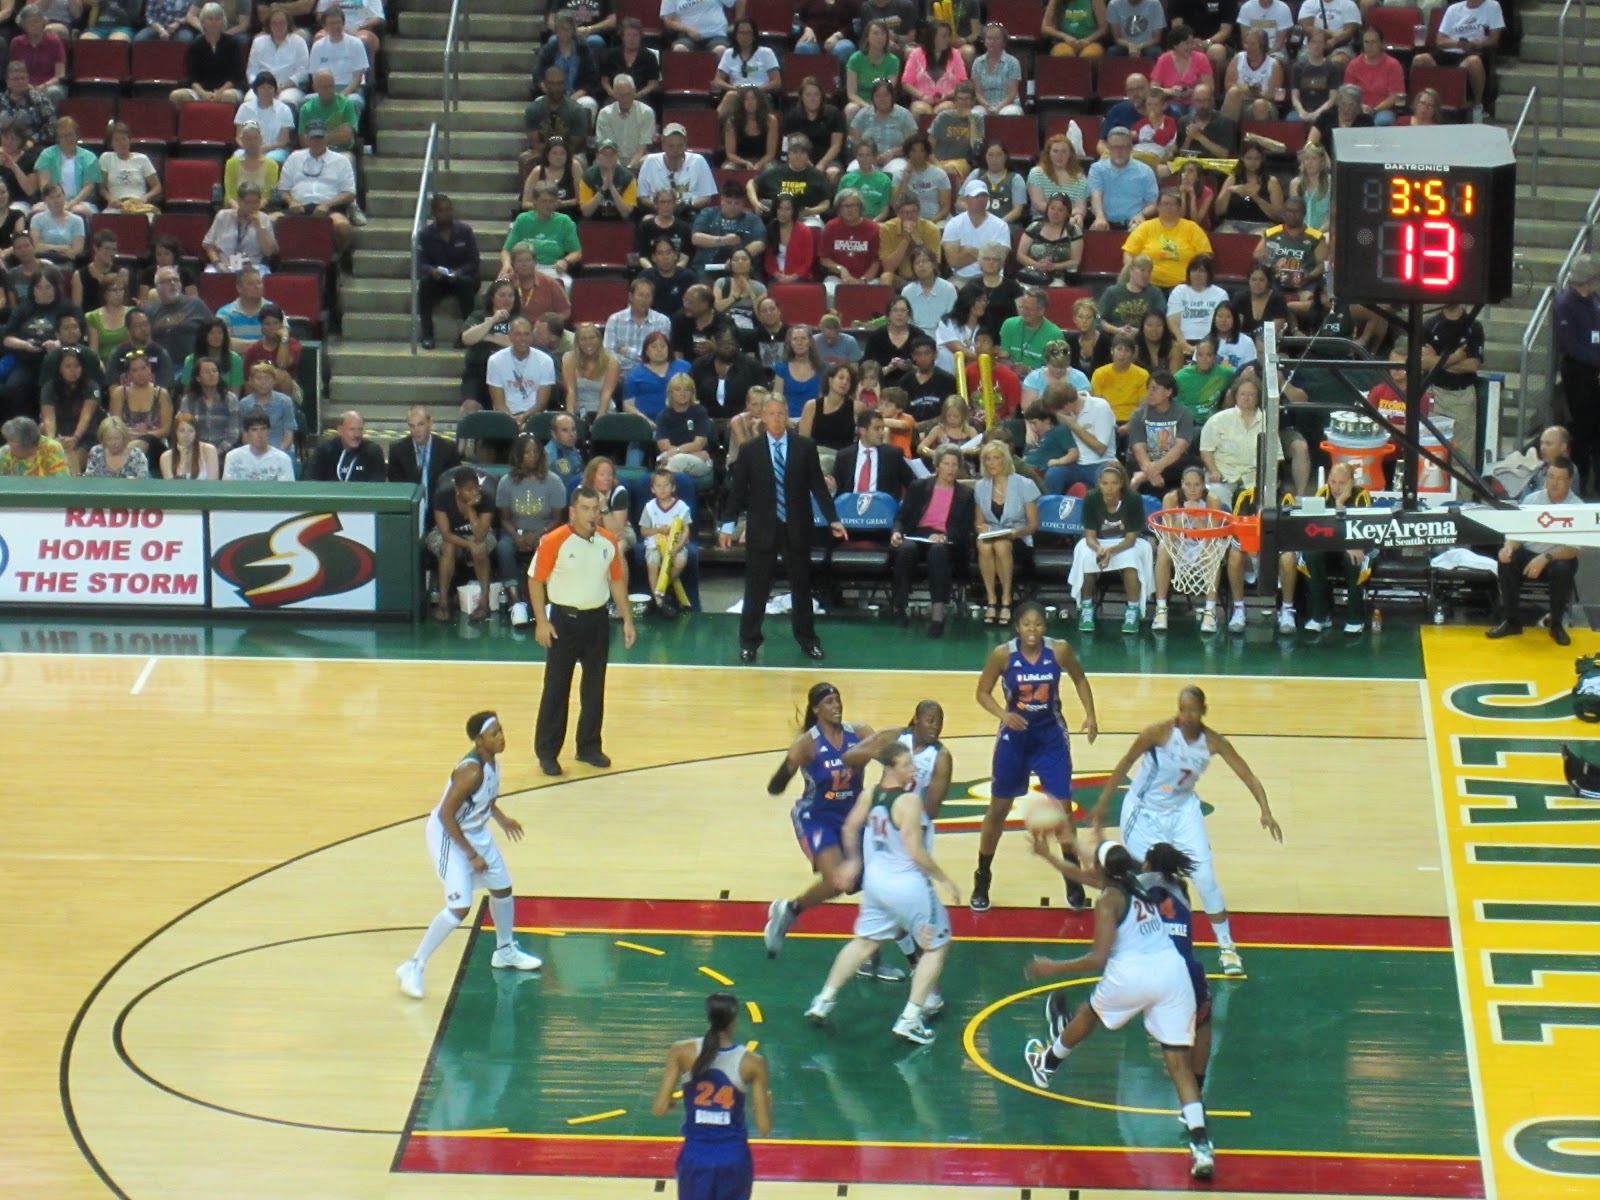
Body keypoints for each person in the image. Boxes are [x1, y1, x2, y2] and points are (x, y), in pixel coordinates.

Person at [1021, 840, 1215, 1181]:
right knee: (1178, 1066)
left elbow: (1098, 958)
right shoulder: (1135, 882)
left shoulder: (1109, 898)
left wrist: (1053, 967)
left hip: (1134, 974)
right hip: (1172, 973)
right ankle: (1201, 1145)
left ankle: (1046, 1065)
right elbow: (1080, 873)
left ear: (1101, 869)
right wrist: (1049, 856)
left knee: (1090, 1013)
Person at [1092, 684, 1281, 979]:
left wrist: (1265, 810)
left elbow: (1247, 774)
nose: (1186, 715)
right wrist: (1103, 803)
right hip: (1145, 812)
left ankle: (1227, 947)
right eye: (1182, 709)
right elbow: (1124, 764)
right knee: (1148, 879)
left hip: (1182, 811)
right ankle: (1138, 944)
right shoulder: (1158, 732)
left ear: (1204, 711)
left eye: (1192, 710)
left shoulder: (1213, 742)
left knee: (1204, 877)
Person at [804, 740, 960, 1044]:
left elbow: (850, 828)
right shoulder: (909, 802)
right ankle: (910, 1018)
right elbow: (915, 851)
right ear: (891, 768)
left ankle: (823, 1000)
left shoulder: (870, 794)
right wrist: (944, 879)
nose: (913, 769)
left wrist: (852, 862)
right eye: (907, 765)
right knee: (937, 947)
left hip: (876, 883)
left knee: (864, 942)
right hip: (906, 884)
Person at [759, 682, 903, 978]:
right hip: (816, 816)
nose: (836, 706)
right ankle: (790, 911)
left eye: (838, 700)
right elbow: (776, 785)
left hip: (853, 817)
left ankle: (871, 958)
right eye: (828, 702)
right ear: (816, 709)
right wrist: (788, 767)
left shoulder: (859, 733)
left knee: (877, 883)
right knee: (837, 881)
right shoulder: (807, 743)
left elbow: (889, 752)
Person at [395, 712, 543, 1000]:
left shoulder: (492, 763)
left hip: (474, 831)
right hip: (449, 836)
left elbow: (485, 798)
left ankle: (504, 951)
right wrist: (471, 854)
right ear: (478, 740)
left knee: (502, 888)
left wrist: (501, 818)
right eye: (495, 734)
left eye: (501, 731)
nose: (502, 737)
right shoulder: (471, 770)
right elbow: (446, 814)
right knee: (460, 907)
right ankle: (413, 965)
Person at [971, 600, 1099, 911]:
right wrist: (1004, 714)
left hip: (1050, 737)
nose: (1033, 630)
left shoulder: (1060, 650)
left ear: (1045, 627)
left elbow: (1080, 678)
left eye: (1038, 624)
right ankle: (982, 877)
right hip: (1015, 738)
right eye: (1027, 624)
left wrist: (1091, 715)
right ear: (1017, 627)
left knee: (1064, 812)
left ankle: (1073, 881)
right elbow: (982, 692)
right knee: (998, 810)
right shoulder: (1003, 654)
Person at [719, 395, 844, 663]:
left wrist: (833, 518)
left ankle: (808, 639)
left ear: (787, 414)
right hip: (762, 527)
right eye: (772, 413)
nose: (777, 418)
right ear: (763, 417)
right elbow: (738, 491)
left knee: (801, 586)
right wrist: (728, 524)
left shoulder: (805, 446)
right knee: (756, 587)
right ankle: (749, 641)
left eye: (781, 413)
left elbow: (818, 487)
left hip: (797, 525)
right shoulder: (750, 449)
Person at [529, 484, 636, 775]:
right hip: (564, 621)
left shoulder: (608, 541)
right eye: (586, 509)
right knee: (556, 687)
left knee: (594, 687)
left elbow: (616, 582)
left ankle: (588, 746)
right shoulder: (554, 540)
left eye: (596, 509)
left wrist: (627, 618)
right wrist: (541, 621)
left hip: (597, 621)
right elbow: (535, 580)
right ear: (572, 511)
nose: (592, 515)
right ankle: (548, 752)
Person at [650, 992, 773, 1200]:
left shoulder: (681, 1051)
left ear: (708, 1017)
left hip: (696, 1156)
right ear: (735, 1020)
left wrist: (671, 1101)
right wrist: (767, 1105)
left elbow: (659, 1109)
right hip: (734, 1157)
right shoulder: (753, 1062)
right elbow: (764, 1128)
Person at [1488, 456, 1583, 645]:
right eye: (1550, 476)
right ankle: (1512, 621)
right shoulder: (1532, 500)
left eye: (1559, 478)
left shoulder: (1577, 507)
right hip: (1529, 552)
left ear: (1569, 482)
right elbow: (1516, 535)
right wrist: (1508, 548)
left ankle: (1556, 625)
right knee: (1507, 560)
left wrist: (1545, 558)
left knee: (1563, 569)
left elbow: (1572, 549)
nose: (1553, 483)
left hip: (1557, 556)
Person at [889, 445, 974, 633]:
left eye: (954, 464)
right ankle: (899, 607)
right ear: (937, 466)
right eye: (946, 464)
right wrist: (896, 532)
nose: (951, 468)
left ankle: (938, 613)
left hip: (948, 542)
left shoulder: (966, 494)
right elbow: (902, 518)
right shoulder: (918, 487)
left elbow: (965, 528)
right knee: (906, 548)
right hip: (918, 535)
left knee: (938, 551)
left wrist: (945, 536)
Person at [1421, 300, 1487, 473]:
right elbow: (1425, 363)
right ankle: (1434, 495)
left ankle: (1462, 497)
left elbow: (1472, 365)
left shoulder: (1473, 326)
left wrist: (1437, 360)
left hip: (1462, 395)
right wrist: (1457, 357)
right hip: (1435, 393)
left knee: (1463, 455)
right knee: (1432, 452)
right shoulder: (1430, 325)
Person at [1413, 0, 1504, 119]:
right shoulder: (1453, 9)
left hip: (1472, 51)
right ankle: (1417, 104)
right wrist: (1457, 44)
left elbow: (1493, 40)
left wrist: (1478, 44)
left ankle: (1477, 106)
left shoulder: (1492, 6)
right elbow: (1440, 40)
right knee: (1419, 59)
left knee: (1474, 62)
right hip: (1449, 50)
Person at [1555, 256, 1600, 493]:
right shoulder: (1566, 304)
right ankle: (1581, 482)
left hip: (1595, 369)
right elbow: (1571, 345)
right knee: (1583, 428)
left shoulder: (1595, 300)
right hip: (1578, 372)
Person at [415, 194, 480, 351]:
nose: (445, 213)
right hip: (439, 279)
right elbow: (420, 262)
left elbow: (474, 261)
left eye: (448, 209)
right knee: (424, 285)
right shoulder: (425, 234)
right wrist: (432, 271)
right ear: (434, 213)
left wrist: (459, 272)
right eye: (441, 210)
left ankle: (467, 334)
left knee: (466, 283)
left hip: (462, 277)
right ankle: (427, 334)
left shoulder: (465, 231)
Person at [388, 403, 461, 528]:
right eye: (412, 426)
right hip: (410, 515)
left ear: (430, 422)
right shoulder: (398, 450)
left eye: (420, 424)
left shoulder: (447, 448)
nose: (416, 431)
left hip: (441, 514)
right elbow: (396, 486)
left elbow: (453, 484)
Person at [638, 467, 694, 611]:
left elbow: (686, 529)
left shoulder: (681, 507)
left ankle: (662, 587)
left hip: (676, 542)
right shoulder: (649, 507)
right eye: (658, 486)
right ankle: (659, 601)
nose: (662, 489)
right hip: (655, 542)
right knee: (652, 564)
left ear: (673, 487)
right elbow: (644, 531)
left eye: (666, 485)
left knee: (680, 562)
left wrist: (679, 546)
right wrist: (658, 530)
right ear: (652, 489)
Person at [1088, 127, 1159, 231]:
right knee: (1096, 229)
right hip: (1105, 221)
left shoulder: (1145, 171)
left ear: (1131, 147)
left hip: (1134, 222)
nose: (1119, 151)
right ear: (1108, 147)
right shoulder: (1097, 168)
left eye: (1123, 147)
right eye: (1115, 147)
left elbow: (1153, 203)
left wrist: (1142, 214)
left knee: (1139, 230)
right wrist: (1100, 217)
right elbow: (1095, 195)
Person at [309, 409, 384, 481]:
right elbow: (311, 479)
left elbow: (377, 484)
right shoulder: (324, 451)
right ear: (340, 430)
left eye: (360, 429)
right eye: (352, 429)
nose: (357, 434)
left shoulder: (373, 452)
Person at [221, 409, 295, 480]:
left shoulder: (283, 459)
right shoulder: (233, 457)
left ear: (268, 431)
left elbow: (286, 490)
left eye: (263, 429)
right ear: (246, 433)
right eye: (254, 430)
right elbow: (229, 489)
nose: (259, 434)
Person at [0, 414, 68, 474]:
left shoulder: (51, 448)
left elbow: (61, 483)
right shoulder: (4, 452)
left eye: (11, 440)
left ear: (26, 444)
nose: (8, 444)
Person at [161, 412, 219, 480]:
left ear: (196, 433)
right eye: (182, 431)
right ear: (175, 432)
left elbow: (213, 483)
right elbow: (170, 487)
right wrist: (184, 458)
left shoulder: (209, 450)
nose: (186, 435)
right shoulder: (166, 457)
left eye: (191, 431)